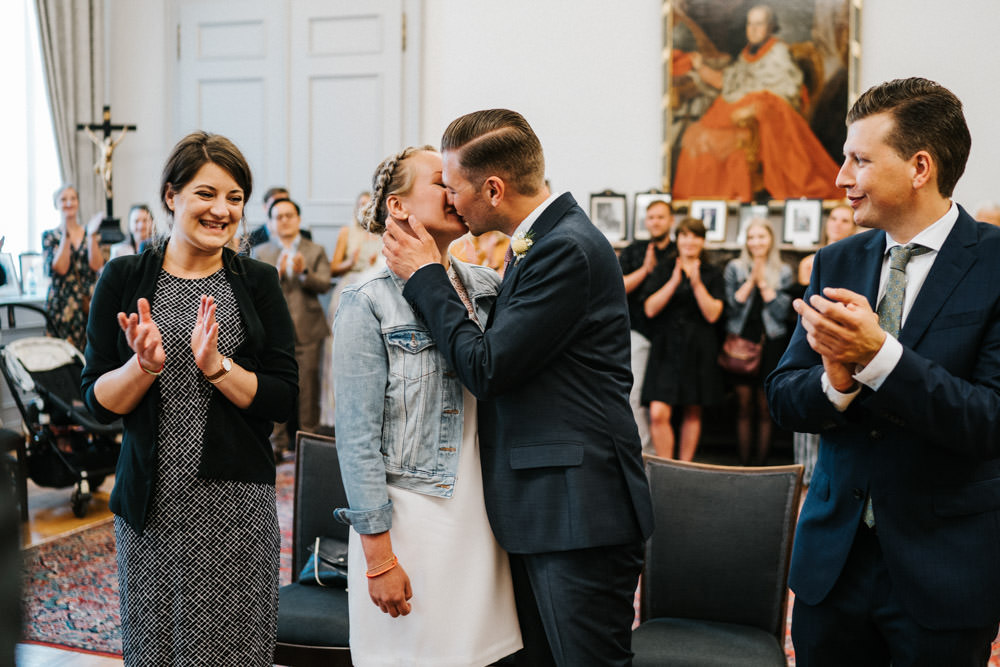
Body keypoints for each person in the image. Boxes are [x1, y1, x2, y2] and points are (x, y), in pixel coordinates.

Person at [382, 109, 654, 666]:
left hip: (575, 516)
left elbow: (488, 368)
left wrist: (426, 274)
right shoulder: (547, 241)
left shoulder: (565, 248)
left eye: (453, 188)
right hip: (548, 510)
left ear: (493, 188)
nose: (451, 201)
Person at [766, 77, 1000, 665]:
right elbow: (783, 396)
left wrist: (880, 358)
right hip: (833, 567)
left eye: (859, 160)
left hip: (943, 570)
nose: (841, 178)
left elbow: (989, 420)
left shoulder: (995, 265)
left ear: (920, 166)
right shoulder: (837, 260)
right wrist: (836, 384)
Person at [80, 131, 298, 666]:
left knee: (232, 652)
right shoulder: (124, 277)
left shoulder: (258, 281)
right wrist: (144, 366)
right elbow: (96, 400)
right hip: (149, 508)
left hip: (234, 508)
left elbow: (284, 396)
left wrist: (219, 368)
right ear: (172, 196)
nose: (221, 210)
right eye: (206, 194)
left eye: (235, 198)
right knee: (155, 651)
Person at [332, 146, 522, 666]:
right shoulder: (366, 301)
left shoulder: (488, 289)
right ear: (397, 206)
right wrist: (378, 557)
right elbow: (355, 439)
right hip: (412, 520)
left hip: (480, 519)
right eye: (441, 180)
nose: (455, 188)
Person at [673, 4, 842, 201]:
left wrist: (755, 106)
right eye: (749, 24)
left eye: (759, 24)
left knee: (720, 142)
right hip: (732, 115)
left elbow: (786, 91)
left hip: (761, 119)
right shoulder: (747, 54)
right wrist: (700, 66)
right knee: (695, 135)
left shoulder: (778, 52)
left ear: (770, 27)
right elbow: (728, 83)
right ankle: (701, 202)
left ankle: (735, 196)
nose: (752, 29)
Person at [641, 216, 725, 461]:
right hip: (666, 346)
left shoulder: (712, 272)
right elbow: (649, 308)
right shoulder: (663, 268)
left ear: (702, 241)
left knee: (692, 410)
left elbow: (713, 315)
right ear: (678, 239)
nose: (690, 241)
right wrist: (675, 281)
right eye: (685, 235)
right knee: (658, 412)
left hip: (698, 346)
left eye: (696, 236)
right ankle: (666, 467)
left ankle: (684, 468)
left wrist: (697, 284)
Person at [252, 198, 331, 457]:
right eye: (279, 217)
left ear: (298, 219)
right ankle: (277, 444)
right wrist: (272, 274)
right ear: (270, 223)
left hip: (308, 329)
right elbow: (252, 291)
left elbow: (324, 283)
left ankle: (307, 442)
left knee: (308, 388)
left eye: (289, 215)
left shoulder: (314, 249)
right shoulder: (261, 252)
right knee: (274, 386)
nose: (284, 220)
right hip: (272, 332)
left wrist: (304, 272)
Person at [792, 203, 856, 485]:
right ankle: (805, 485)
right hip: (809, 339)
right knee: (808, 413)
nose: (839, 224)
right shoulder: (812, 261)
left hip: (844, 344)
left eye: (846, 220)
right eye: (835, 218)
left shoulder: (859, 262)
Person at [723, 217, 793, 465]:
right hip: (741, 341)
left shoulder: (783, 270)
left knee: (765, 407)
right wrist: (751, 279)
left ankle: (761, 465)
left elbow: (782, 312)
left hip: (772, 342)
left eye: (761, 237)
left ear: (770, 240)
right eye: (751, 237)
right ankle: (743, 463)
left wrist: (763, 283)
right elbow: (730, 307)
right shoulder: (735, 267)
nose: (756, 242)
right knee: (743, 405)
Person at [318, 191, 384, 430]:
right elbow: (333, 268)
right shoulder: (347, 232)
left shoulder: (384, 231)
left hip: (377, 290)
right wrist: (350, 261)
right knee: (338, 349)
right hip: (349, 287)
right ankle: (334, 415)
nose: (364, 210)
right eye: (361, 205)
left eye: (369, 205)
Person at [618, 200, 677, 454]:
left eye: (661, 217)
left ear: (671, 220)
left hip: (671, 338)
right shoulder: (634, 251)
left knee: (664, 406)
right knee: (635, 396)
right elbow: (617, 287)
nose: (655, 222)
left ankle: (674, 466)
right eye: (651, 217)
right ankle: (643, 455)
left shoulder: (679, 251)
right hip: (638, 334)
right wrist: (645, 270)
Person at [43, 184, 106, 351]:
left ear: (78, 202)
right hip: (63, 305)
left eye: (73, 198)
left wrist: (92, 234)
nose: (69, 203)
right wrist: (66, 235)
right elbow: (61, 268)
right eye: (63, 199)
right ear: (56, 204)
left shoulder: (90, 232)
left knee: (91, 352)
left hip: (89, 303)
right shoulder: (50, 235)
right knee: (62, 356)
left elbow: (97, 265)